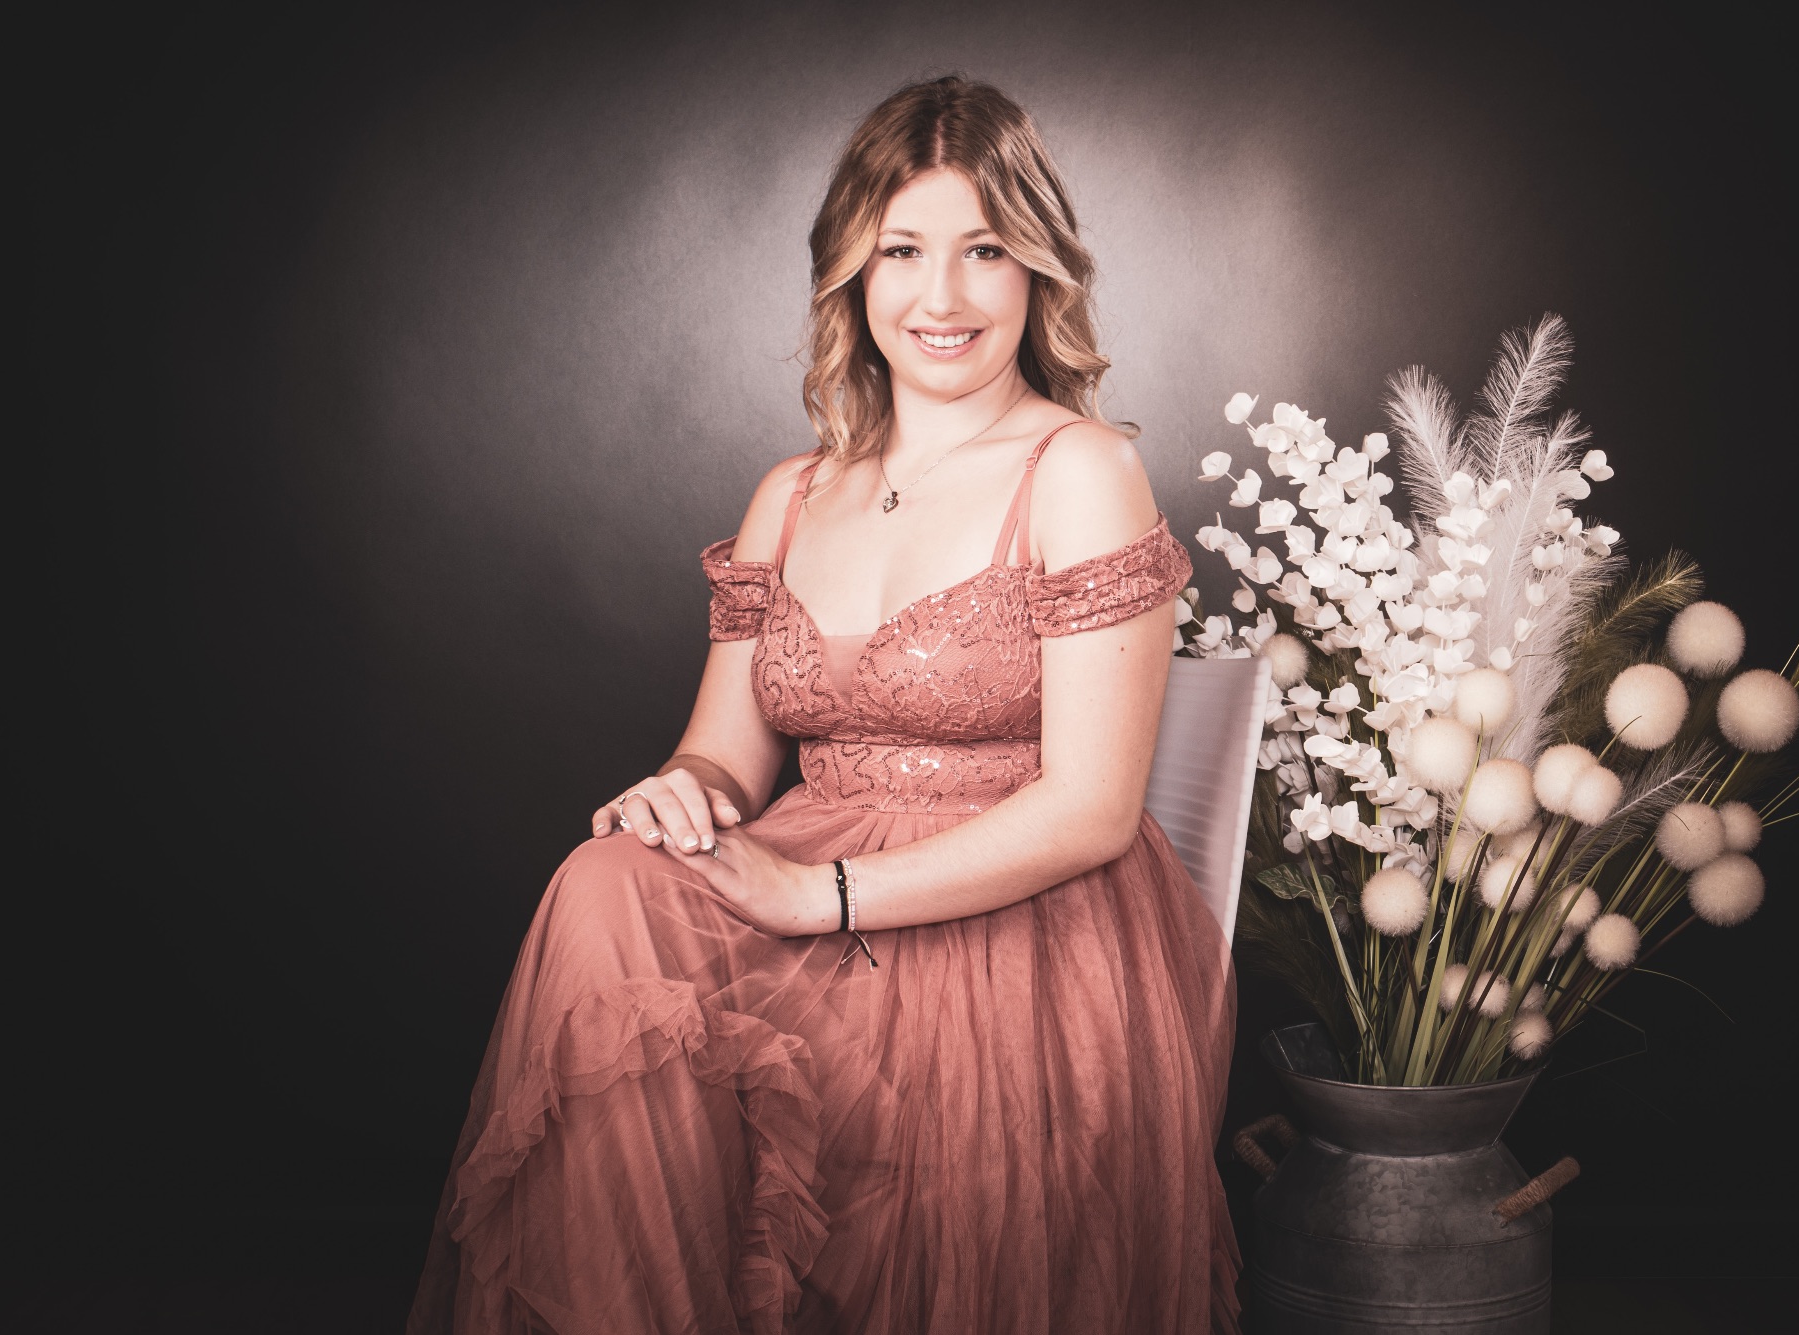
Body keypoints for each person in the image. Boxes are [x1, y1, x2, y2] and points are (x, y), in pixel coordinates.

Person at [410, 75, 1239, 1335]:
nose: (942, 297)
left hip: (1019, 914)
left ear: (1037, 273)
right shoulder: (790, 494)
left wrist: (821, 897)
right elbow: (725, 755)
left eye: (984, 251)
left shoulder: (1079, 469)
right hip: (812, 867)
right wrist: (685, 794)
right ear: (850, 270)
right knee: (606, 884)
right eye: (902, 250)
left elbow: (1089, 810)